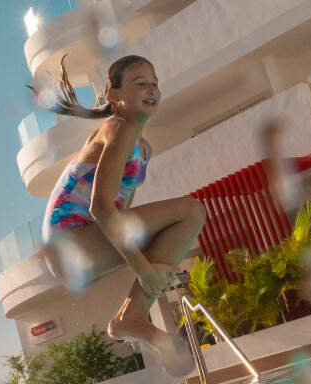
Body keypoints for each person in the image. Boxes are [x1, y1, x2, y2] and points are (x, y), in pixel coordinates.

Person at [30, 55, 204, 376]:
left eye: (154, 83)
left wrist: (155, 264)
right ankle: (135, 314)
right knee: (190, 211)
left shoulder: (143, 146)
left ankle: (132, 317)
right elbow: (101, 208)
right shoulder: (118, 130)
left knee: (179, 225)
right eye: (140, 83)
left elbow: (122, 216)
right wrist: (145, 270)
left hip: (83, 247)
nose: (151, 89)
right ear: (114, 94)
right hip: (70, 243)